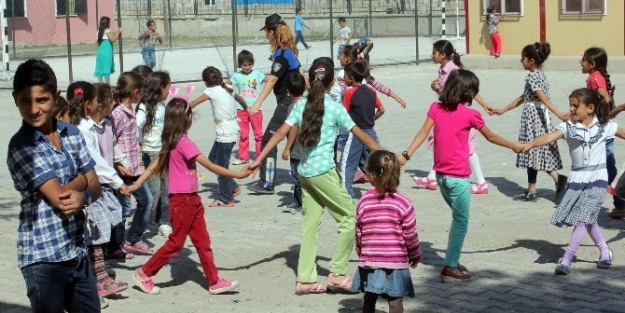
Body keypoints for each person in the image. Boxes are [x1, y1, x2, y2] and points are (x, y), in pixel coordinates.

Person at [249, 60, 382, 294]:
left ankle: (306, 279)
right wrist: (386, 156)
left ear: (310, 81)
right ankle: (338, 273)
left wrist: (259, 159)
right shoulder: (334, 107)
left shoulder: (302, 104)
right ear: (334, 82)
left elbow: (281, 132)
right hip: (323, 173)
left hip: (305, 174)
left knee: (310, 225)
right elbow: (362, 136)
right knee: (349, 217)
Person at [395, 69, 522, 282]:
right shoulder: (471, 114)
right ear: (467, 93)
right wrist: (513, 145)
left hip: (441, 178)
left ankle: (453, 258)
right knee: (461, 221)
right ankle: (449, 266)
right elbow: (490, 137)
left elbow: (422, 133)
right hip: (458, 180)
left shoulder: (436, 108)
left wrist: (407, 155)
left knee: (457, 218)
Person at [8, 59, 103, 312]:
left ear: (55, 96)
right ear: (15, 99)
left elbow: (97, 187)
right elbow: (62, 199)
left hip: (77, 252)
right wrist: (84, 180)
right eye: (25, 101)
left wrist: (85, 195)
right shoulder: (22, 146)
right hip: (43, 259)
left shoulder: (72, 133)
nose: (34, 109)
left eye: (42, 100)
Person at [129, 98, 252, 295]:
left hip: (192, 199)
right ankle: (144, 273)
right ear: (187, 118)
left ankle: (213, 281)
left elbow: (153, 165)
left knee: (203, 242)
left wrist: (137, 182)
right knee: (176, 243)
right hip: (182, 200)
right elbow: (210, 166)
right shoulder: (184, 143)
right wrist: (238, 175)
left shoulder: (171, 140)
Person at [522, 88, 622, 274]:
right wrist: (531, 145)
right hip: (577, 179)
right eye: (571, 105)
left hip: (598, 178)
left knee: (583, 218)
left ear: (590, 108)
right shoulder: (568, 127)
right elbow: (549, 136)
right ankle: (605, 251)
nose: (571, 109)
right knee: (588, 217)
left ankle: (567, 258)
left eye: (576, 106)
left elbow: (623, 132)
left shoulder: (604, 126)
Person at [66, 81, 130, 300]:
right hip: (88, 188)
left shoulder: (89, 127)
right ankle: (98, 278)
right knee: (94, 233)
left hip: (95, 186)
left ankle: (97, 273)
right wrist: (116, 181)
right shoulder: (81, 131)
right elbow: (95, 162)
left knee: (98, 231)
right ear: (89, 104)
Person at [414, 40, 494, 194]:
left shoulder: (453, 71)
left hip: (460, 116)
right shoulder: (443, 70)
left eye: (434, 52)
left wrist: (484, 105)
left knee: (468, 149)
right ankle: (431, 177)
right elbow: (448, 96)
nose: (432, 55)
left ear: (442, 55)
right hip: (449, 113)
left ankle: (482, 182)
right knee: (441, 143)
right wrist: (436, 90)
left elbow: (470, 90)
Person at [493, 42, 568, 202]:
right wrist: (504, 109)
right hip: (538, 115)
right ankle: (533, 190)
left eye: (523, 58)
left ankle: (556, 179)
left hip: (535, 117)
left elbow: (543, 99)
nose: (521, 61)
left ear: (531, 61)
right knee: (535, 152)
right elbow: (524, 97)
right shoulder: (538, 74)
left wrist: (560, 114)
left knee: (531, 150)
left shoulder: (534, 76)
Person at [352, 150, 421, 313]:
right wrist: (415, 254)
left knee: (369, 296)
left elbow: (359, 230)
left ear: (372, 176)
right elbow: (410, 234)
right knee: (394, 300)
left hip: (370, 259)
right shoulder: (404, 203)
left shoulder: (364, 201)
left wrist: (361, 250)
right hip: (395, 261)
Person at [248, 13, 304, 194]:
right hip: (294, 100)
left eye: (267, 32)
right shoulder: (290, 50)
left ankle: (267, 182)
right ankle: (306, 181)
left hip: (286, 103)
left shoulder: (281, 54)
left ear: (273, 31)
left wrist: (257, 103)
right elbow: (301, 72)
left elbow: (273, 80)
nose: (267, 35)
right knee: (295, 142)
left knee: (269, 141)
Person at [111, 71, 155, 254]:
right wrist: (118, 163)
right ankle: (115, 245)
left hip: (135, 168)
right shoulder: (118, 114)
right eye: (142, 91)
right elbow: (111, 140)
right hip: (123, 170)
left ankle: (133, 236)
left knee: (146, 200)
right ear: (136, 92)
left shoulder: (130, 111)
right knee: (123, 207)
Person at [579, 47, 625, 219]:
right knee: (606, 167)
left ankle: (617, 204)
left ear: (592, 64)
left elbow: (604, 97)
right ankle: (619, 204)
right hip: (603, 128)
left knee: (598, 167)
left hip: (599, 131)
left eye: (583, 59)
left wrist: (600, 114)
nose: (580, 62)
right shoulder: (597, 76)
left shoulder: (594, 78)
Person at [190, 66, 246, 207]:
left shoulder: (210, 91)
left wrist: (178, 108)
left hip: (225, 133)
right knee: (212, 161)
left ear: (205, 81)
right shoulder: (227, 87)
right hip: (231, 129)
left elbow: (194, 103)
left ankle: (227, 198)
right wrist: (247, 108)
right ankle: (233, 186)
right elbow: (239, 98)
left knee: (220, 166)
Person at [339, 61, 385, 198]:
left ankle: (345, 193)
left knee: (347, 164)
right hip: (370, 132)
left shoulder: (349, 93)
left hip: (356, 133)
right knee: (368, 163)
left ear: (351, 78)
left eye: (345, 77)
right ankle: (381, 187)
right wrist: (371, 119)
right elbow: (382, 109)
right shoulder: (371, 91)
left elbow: (344, 114)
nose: (344, 79)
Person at [137, 71, 172, 237]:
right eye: (168, 87)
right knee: (156, 190)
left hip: (163, 150)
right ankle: (146, 220)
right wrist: (138, 145)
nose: (169, 91)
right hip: (150, 153)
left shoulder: (162, 105)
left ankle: (164, 222)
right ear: (160, 88)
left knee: (166, 189)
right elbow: (136, 126)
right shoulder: (143, 107)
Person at [226, 50, 266, 165]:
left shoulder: (258, 74)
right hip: (241, 109)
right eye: (244, 65)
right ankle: (243, 157)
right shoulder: (236, 76)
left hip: (255, 109)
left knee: (258, 134)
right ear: (240, 65)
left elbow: (270, 81)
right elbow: (226, 84)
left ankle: (260, 156)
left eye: (249, 64)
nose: (247, 67)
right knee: (243, 134)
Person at [281, 72, 306, 213]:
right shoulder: (308, 103)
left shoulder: (292, 107)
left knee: (298, 179)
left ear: (288, 90)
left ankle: (301, 204)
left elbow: (292, 129)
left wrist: (287, 148)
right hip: (309, 147)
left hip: (296, 150)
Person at [94, 16, 122, 84]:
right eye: (109, 22)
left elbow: (97, 42)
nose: (110, 24)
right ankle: (107, 85)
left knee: (100, 68)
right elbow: (112, 39)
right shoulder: (106, 30)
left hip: (100, 51)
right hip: (107, 52)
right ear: (106, 23)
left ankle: (100, 84)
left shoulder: (99, 31)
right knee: (106, 68)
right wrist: (118, 32)